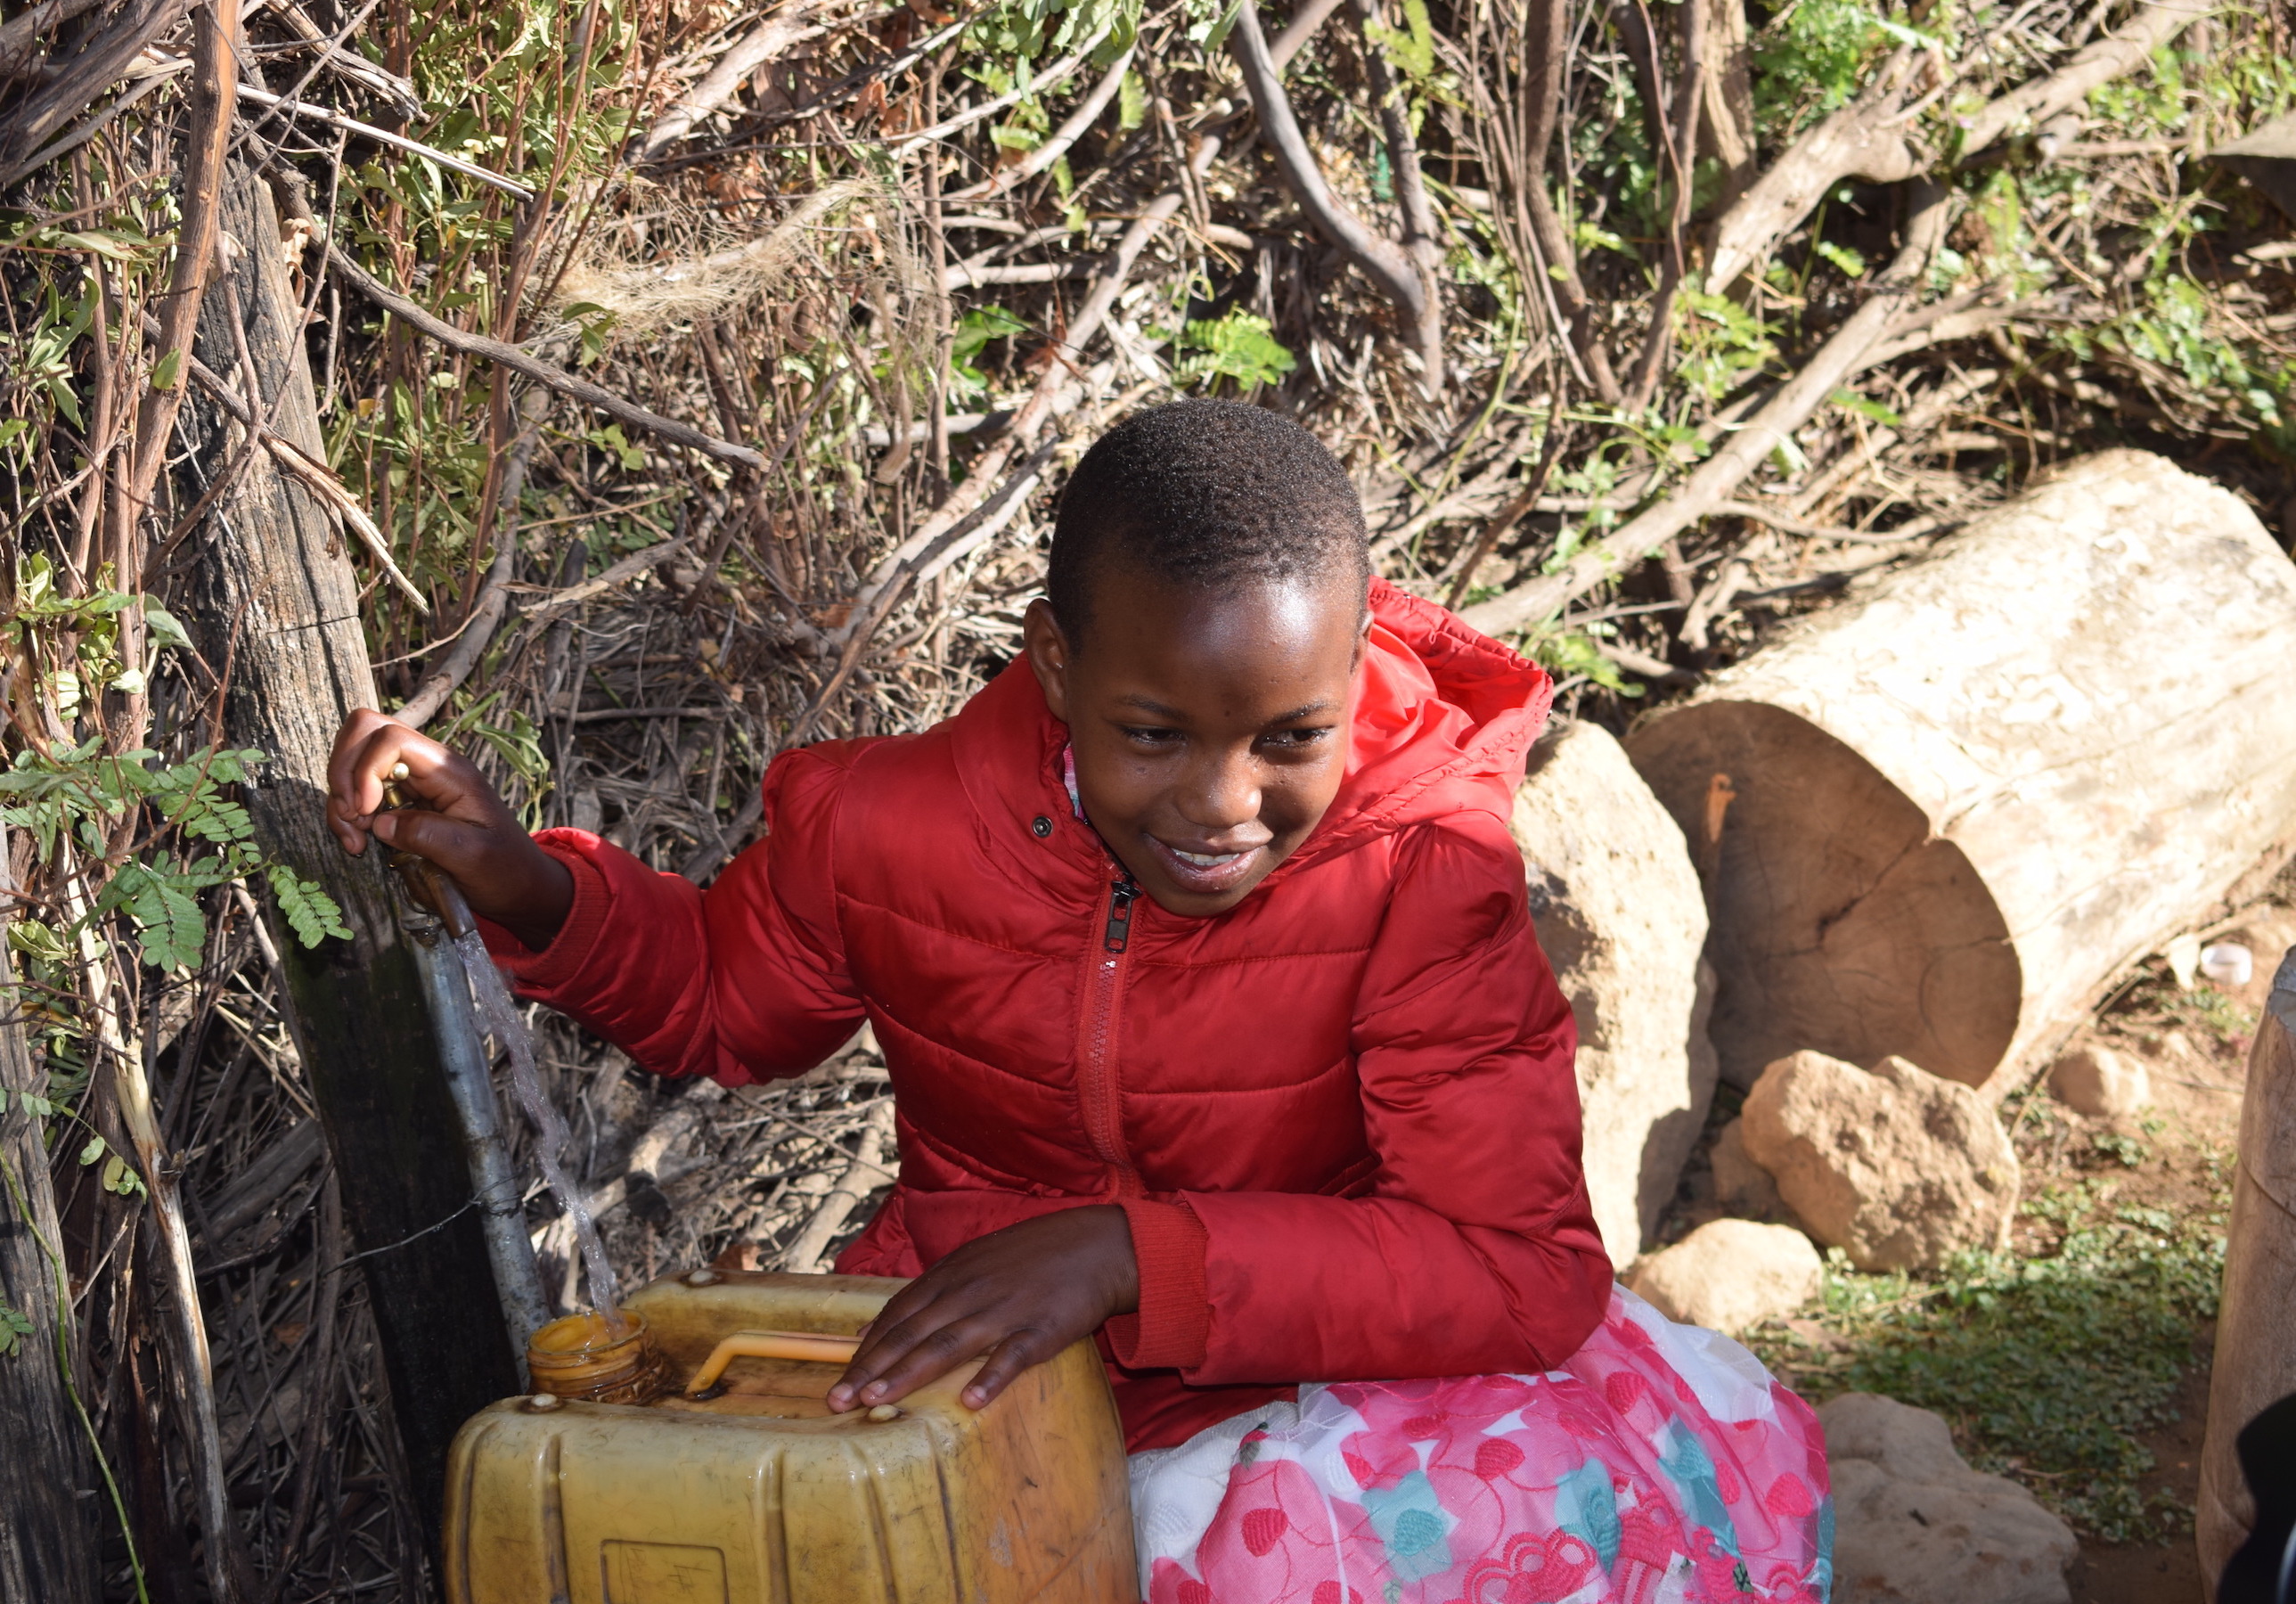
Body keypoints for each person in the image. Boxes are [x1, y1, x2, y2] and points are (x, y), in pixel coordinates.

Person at [328, 400, 1830, 1602]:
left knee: (1384, 1543)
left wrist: (1130, 1258)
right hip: (992, 1366)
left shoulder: (1420, 870)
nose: (1225, 803)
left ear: (1350, 657)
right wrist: (529, 883)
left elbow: (1516, 1271)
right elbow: (728, 1003)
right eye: (1155, 732)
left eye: (1291, 736)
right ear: (1056, 665)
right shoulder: (889, 827)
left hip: (1344, 1386)